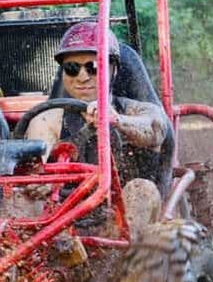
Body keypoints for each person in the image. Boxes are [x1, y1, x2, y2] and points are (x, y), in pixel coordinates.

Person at [25, 21, 171, 238]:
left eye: (93, 67)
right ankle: (15, 265)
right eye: (72, 69)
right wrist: (43, 181)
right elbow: (37, 163)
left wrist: (117, 120)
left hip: (124, 214)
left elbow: (156, 128)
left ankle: (123, 264)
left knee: (142, 190)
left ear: (113, 69)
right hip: (67, 215)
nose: (82, 77)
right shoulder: (49, 118)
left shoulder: (134, 110)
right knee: (21, 196)